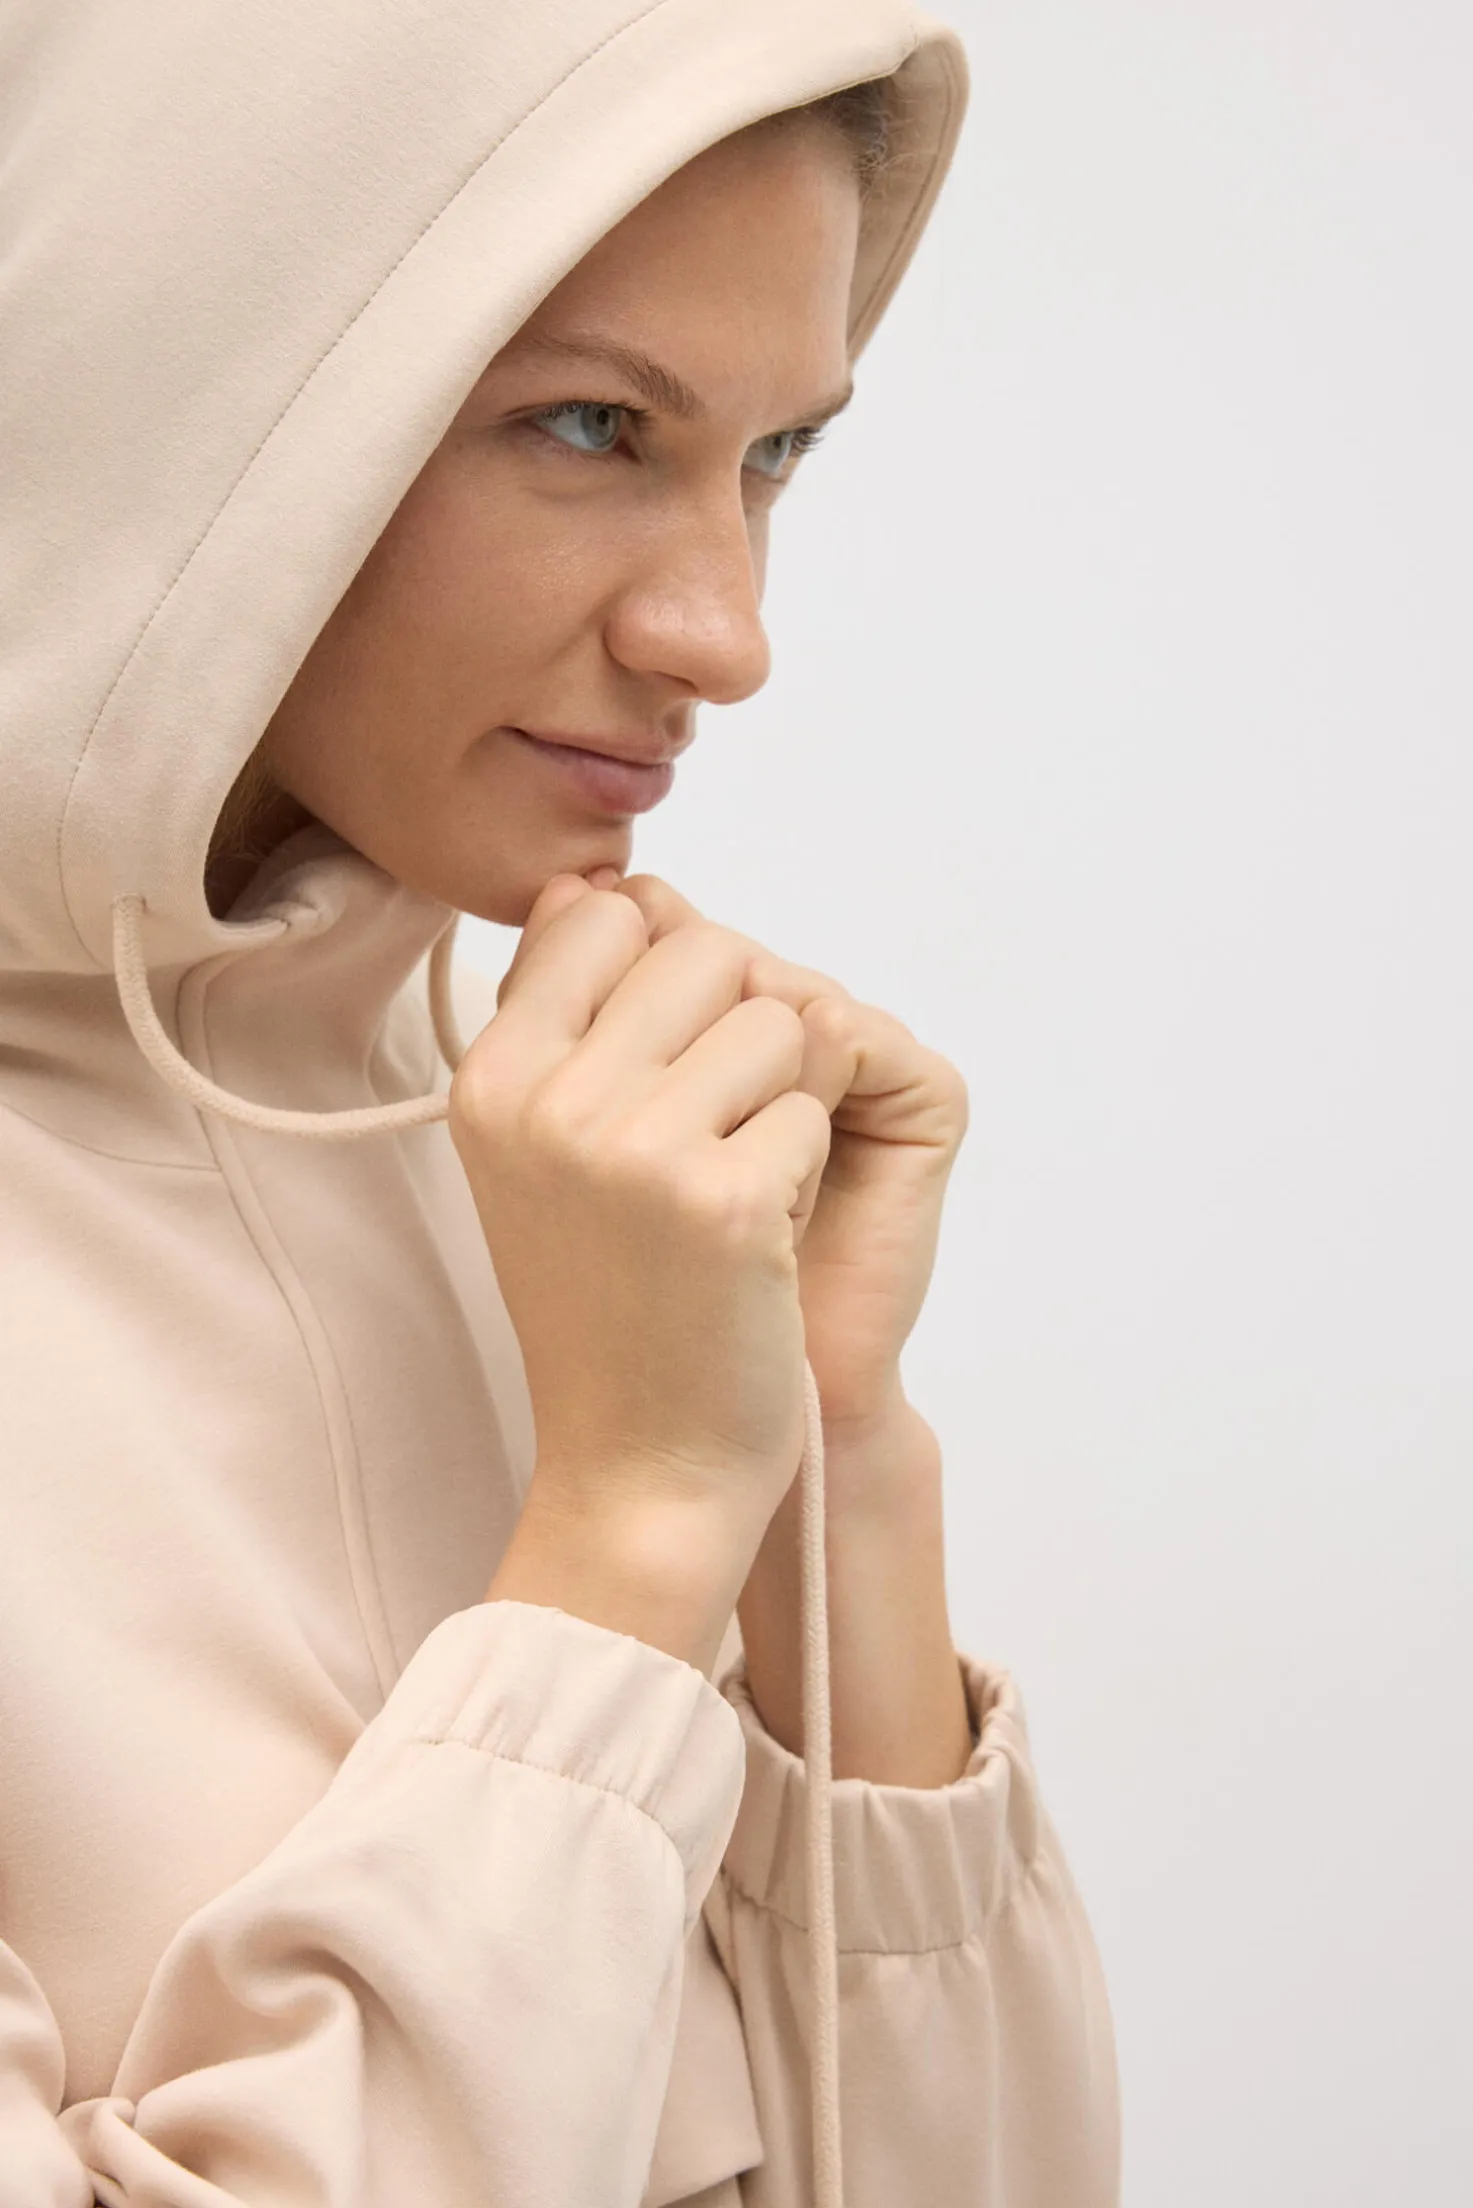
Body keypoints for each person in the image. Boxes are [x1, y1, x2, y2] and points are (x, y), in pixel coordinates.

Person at [0, 2, 1121, 2202]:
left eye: (776, 455)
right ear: (169, 388)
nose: (728, 632)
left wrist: (825, 1469)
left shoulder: (559, 1186)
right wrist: (625, 1534)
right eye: (592, 424)